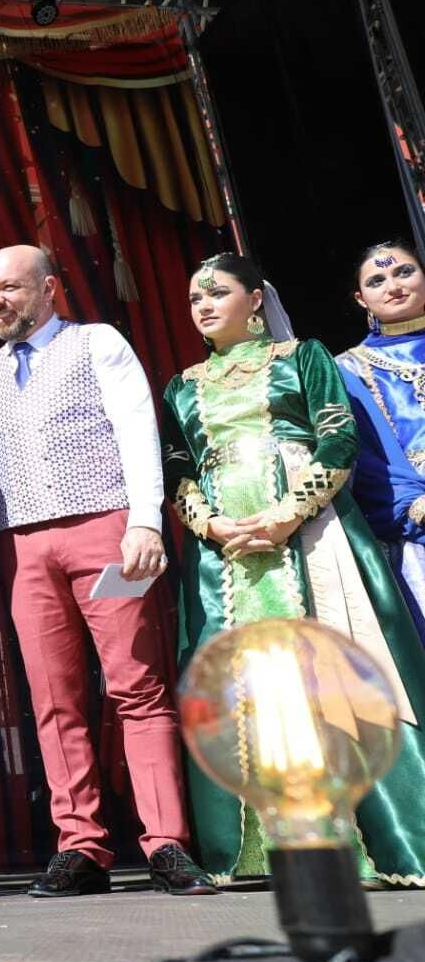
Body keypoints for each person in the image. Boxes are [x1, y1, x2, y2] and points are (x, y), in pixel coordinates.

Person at [0, 244, 214, 898]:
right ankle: (81, 845)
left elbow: (136, 429)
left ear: (49, 289)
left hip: (107, 533)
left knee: (136, 688)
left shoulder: (96, 343)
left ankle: (166, 843)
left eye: (10, 287)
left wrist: (146, 521)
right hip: (29, 551)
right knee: (54, 700)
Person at [162, 251, 425, 885]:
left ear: (255, 299)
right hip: (225, 552)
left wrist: (287, 514)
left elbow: (338, 437)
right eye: (195, 297)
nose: (202, 305)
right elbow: (179, 469)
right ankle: (264, 848)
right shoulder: (181, 384)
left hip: (311, 534)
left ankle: (369, 840)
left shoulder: (303, 357)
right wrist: (210, 523)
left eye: (217, 292)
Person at [335, 239, 425, 641]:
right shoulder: (346, 370)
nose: (393, 285)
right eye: (377, 280)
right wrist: (416, 507)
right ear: (361, 298)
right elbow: (363, 462)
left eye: (404, 271)